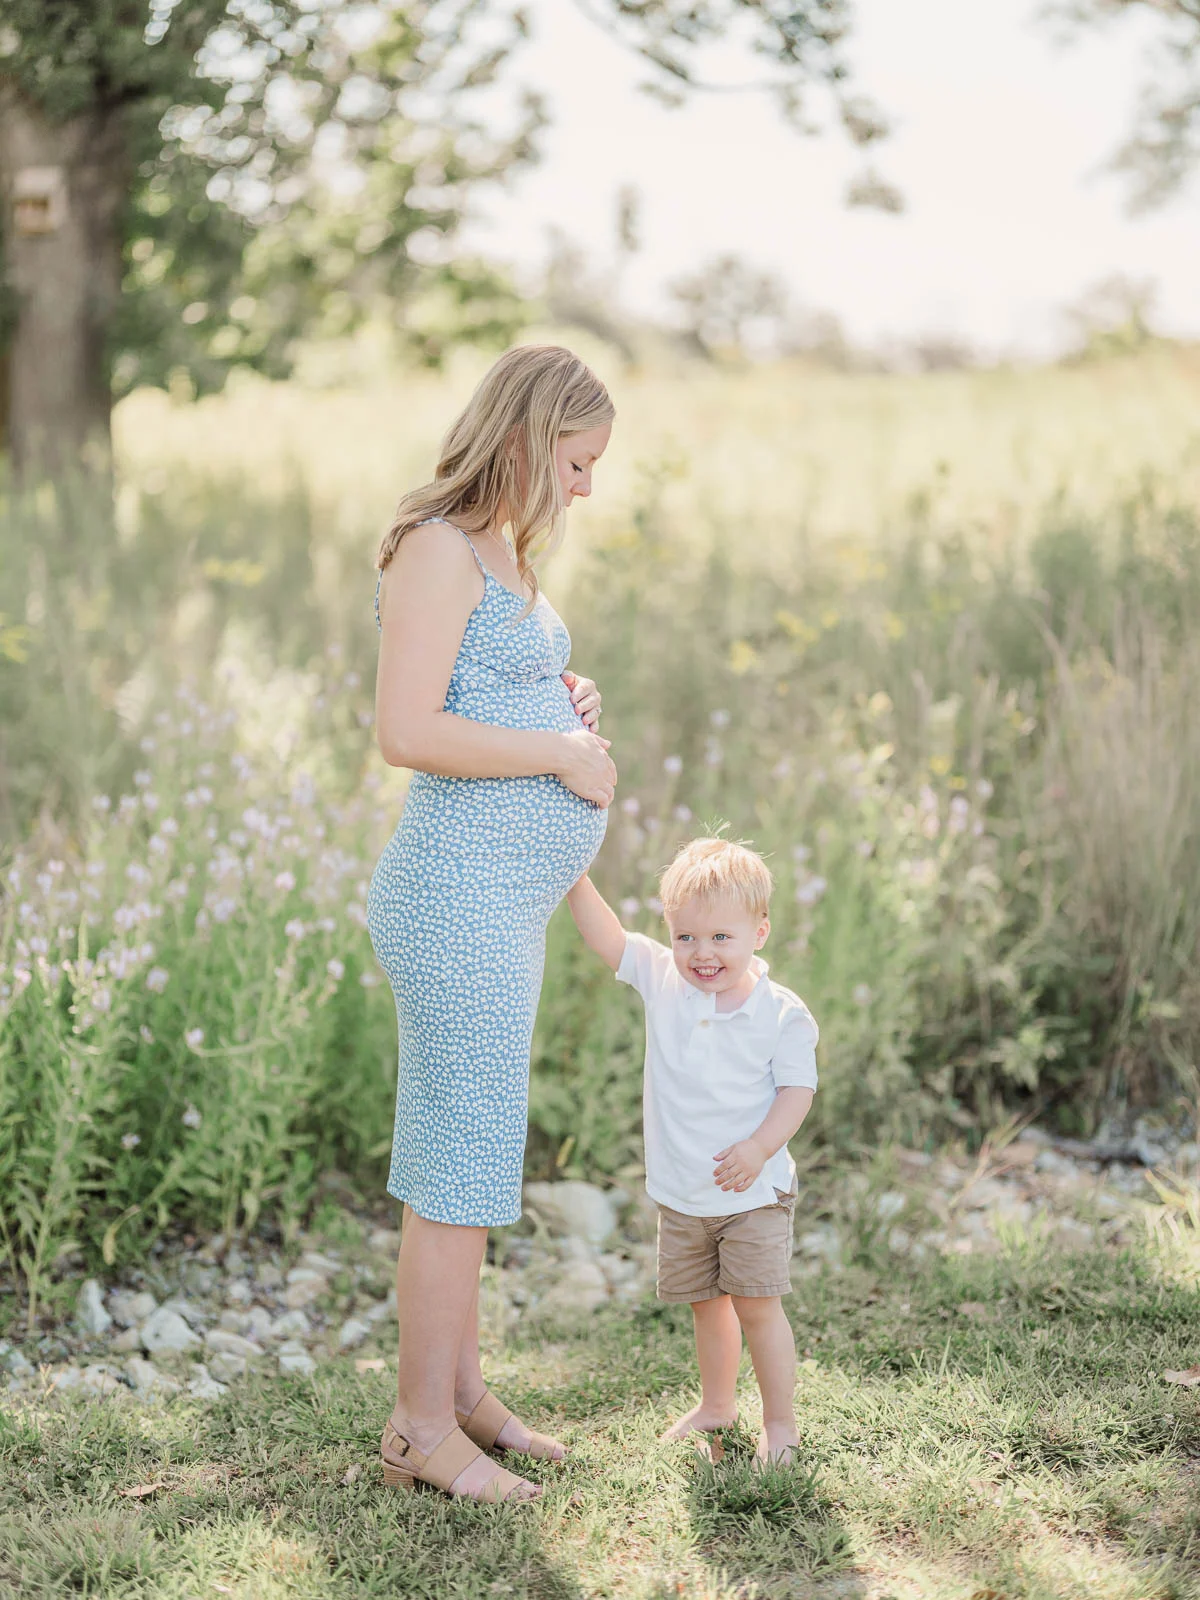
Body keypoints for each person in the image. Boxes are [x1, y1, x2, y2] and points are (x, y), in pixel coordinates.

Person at [368, 345, 617, 1503]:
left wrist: (559, 705)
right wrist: (556, 752)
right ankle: (421, 1427)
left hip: (499, 904)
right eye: (576, 462)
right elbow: (408, 729)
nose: (585, 489)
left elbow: (479, 691)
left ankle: (461, 1389)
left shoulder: (503, 554)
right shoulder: (435, 546)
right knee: (456, 1168)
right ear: (525, 437)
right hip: (454, 898)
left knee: (466, 1151)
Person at [566, 836, 818, 1466]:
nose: (702, 954)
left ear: (759, 932)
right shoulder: (663, 981)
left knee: (758, 1308)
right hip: (683, 1192)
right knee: (708, 1307)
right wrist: (574, 877)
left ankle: (781, 1425)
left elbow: (798, 1091)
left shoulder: (780, 1013)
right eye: (686, 938)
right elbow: (609, 940)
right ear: (671, 935)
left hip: (752, 1192)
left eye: (721, 939)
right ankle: (716, 1405)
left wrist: (761, 1148)